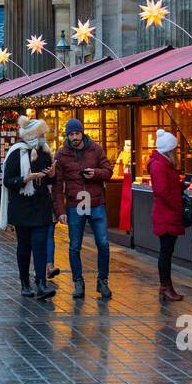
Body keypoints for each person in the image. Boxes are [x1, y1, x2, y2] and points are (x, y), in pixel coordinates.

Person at [53, 118, 115, 300]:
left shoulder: (95, 149)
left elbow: (109, 172)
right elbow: (57, 186)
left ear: (82, 133)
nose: (74, 137)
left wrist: (95, 173)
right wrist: (60, 211)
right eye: (71, 134)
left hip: (96, 203)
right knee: (74, 246)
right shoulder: (62, 154)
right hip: (75, 204)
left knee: (103, 244)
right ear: (67, 136)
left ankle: (102, 281)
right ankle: (78, 282)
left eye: (76, 133)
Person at [1, 118, 57, 299]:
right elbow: (8, 181)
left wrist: (52, 175)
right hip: (22, 206)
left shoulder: (45, 152)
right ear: (32, 135)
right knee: (24, 246)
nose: (43, 136)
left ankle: (41, 283)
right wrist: (25, 179)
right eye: (40, 133)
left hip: (41, 205)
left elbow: (49, 180)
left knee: (40, 245)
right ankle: (25, 283)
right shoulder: (17, 152)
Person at [148, 128, 185, 301]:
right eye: (174, 150)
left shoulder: (162, 164)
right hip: (166, 214)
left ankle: (166, 286)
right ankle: (165, 286)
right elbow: (162, 191)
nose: (176, 153)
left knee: (167, 251)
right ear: (168, 150)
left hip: (166, 213)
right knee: (166, 251)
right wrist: (176, 205)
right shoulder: (159, 165)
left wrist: (180, 186)